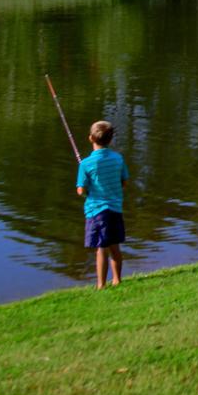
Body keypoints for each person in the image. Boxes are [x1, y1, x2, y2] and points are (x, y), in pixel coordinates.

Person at [75, 120, 127, 289]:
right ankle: (117, 279)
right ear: (110, 139)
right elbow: (124, 182)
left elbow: (81, 190)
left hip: (97, 210)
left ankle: (101, 284)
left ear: (91, 138)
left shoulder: (85, 164)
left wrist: (88, 189)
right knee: (114, 246)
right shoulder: (118, 159)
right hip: (115, 208)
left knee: (101, 248)